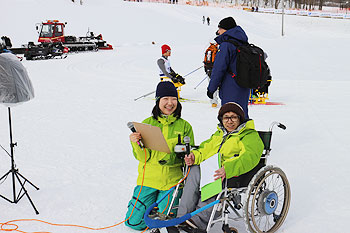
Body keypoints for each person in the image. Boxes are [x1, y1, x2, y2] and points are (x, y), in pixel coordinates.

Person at [177, 102, 264, 232]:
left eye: (233, 117)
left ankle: (198, 221)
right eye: (226, 117)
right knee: (194, 170)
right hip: (212, 167)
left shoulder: (249, 136)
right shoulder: (219, 134)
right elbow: (206, 149)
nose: (229, 121)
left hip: (232, 172)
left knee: (214, 177)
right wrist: (194, 156)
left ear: (240, 118)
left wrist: (227, 168)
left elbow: (249, 158)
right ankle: (182, 216)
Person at [125, 82, 195, 231]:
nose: (170, 103)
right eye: (165, 99)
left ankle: (158, 205)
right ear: (158, 101)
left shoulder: (185, 126)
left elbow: (190, 154)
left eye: (173, 99)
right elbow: (143, 158)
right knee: (134, 223)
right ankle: (149, 205)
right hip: (149, 179)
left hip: (172, 181)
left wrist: (188, 157)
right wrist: (135, 143)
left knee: (165, 222)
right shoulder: (147, 124)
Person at [207, 17, 250, 119]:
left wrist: (211, 88)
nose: (218, 32)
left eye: (220, 28)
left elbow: (219, 69)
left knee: (230, 118)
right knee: (242, 115)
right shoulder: (242, 42)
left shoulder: (226, 45)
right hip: (244, 86)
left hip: (230, 87)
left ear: (226, 30)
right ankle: (247, 134)